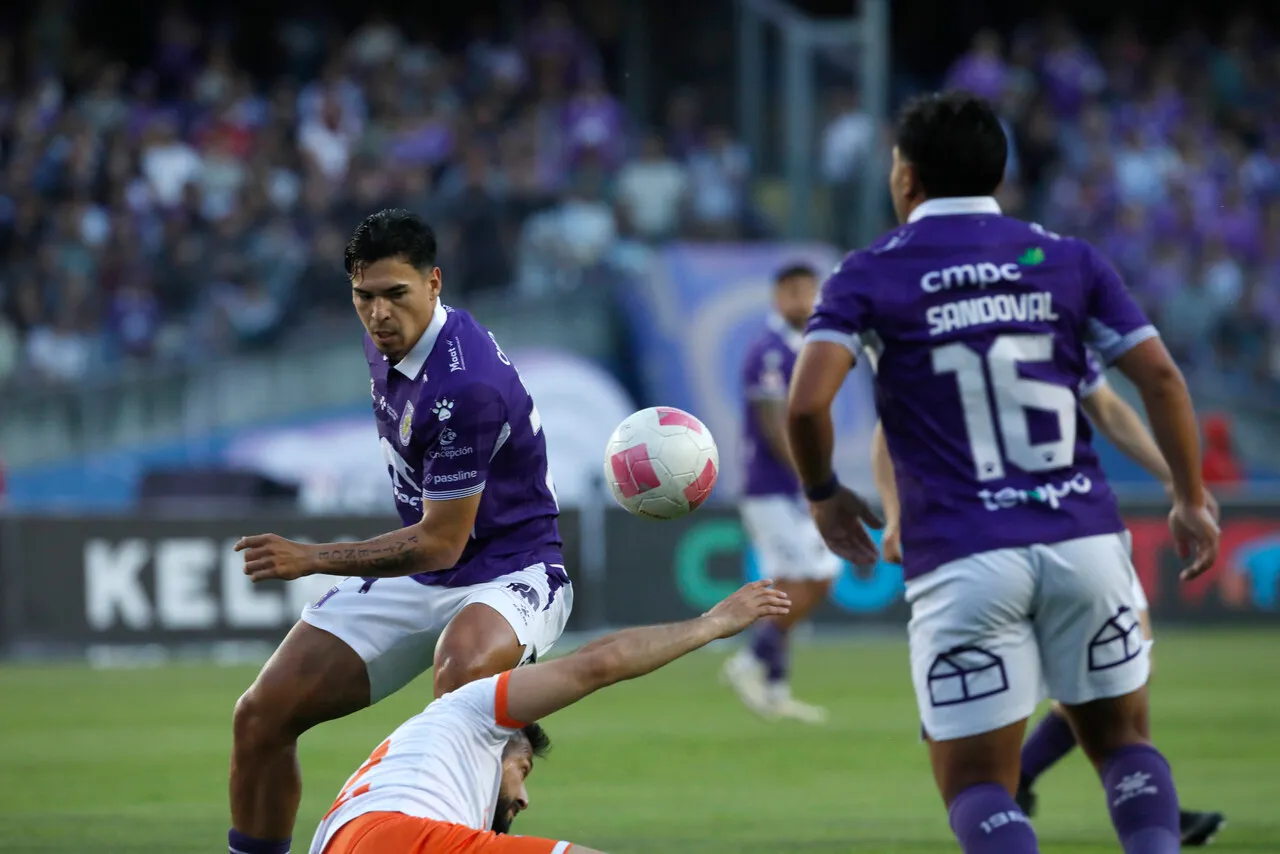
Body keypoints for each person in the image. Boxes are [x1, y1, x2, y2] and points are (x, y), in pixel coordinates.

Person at [786, 92, 1219, 854]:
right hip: (1083, 539)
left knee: (980, 784)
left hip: (963, 554)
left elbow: (806, 404)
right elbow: (1162, 382)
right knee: (1122, 744)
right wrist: (1188, 496)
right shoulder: (1068, 259)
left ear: (908, 178)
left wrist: (824, 495)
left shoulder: (870, 274)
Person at [228, 209, 574, 854]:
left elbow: (442, 540)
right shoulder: (386, 340)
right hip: (427, 567)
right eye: (365, 297)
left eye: (396, 295)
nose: (380, 314)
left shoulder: (465, 387)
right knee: (261, 715)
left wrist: (313, 558)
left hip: (513, 570)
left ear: (434, 283)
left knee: (461, 676)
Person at [871, 348, 1227, 846]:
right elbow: (1132, 391)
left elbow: (872, 426)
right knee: (1122, 722)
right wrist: (1177, 480)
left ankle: (1027, 784)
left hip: (972, 549)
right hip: (1075, 533)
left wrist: (883, 512)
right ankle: (1134, 803)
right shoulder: (1053, 299)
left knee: (980, 773)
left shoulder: (918, 319)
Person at [308, 580, 791, 854]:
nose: (524, 798)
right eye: (524, 770)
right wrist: (713, 625)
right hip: (393, 838)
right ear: (505, 745)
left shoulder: (424, 767)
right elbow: (595, 664)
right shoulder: (473, 712)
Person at [721, 262, 837, 723]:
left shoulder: (803, 348)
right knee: (815, 576)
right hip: (772, 487)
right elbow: (774, 425)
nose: (802, 300)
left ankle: (774, 687)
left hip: (785, 487)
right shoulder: (769, 351)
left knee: (791, 581)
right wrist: (813, 478)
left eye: (809, 291)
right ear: (777, 298)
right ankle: (750, 660)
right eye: (793, 292)